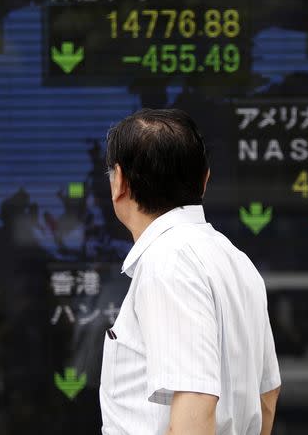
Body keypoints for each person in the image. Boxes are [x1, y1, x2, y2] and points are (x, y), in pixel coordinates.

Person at [100, 108, 281, 435]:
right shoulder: (236, 260)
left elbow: (195, 404)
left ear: (120, 182)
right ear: (205, 179)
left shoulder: (167, 262)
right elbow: (267, 396)